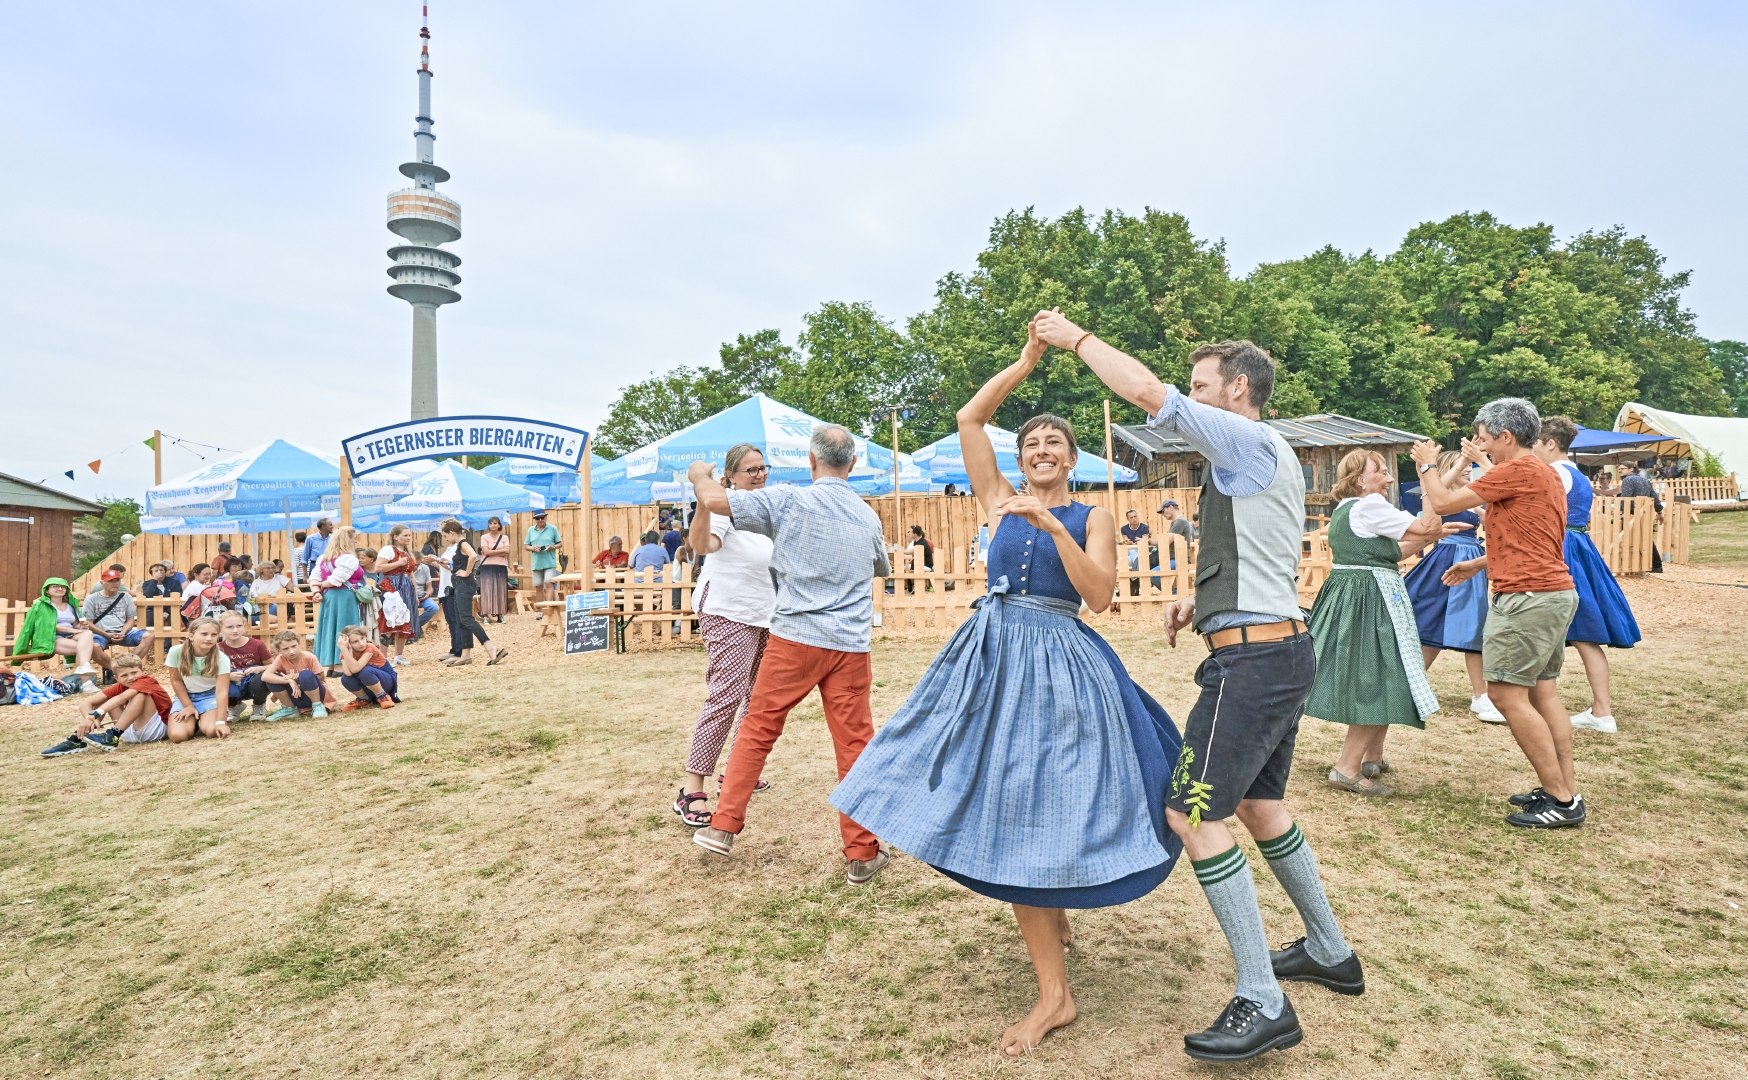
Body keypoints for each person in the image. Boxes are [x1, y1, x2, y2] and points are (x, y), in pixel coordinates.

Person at [832, 321, 1184, 1058]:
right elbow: (970, 419)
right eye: (1031, 446)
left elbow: (1100, 600)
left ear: (1072, 457)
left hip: (1059, 665)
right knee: (995, 795)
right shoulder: (994, 496)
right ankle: (1053, 948)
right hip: (989, 661)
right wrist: (1025, 362)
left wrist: (1054, 526)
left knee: (1038, 803)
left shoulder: (1094, 514)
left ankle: (1056, 995)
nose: (1041, 453)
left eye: (1053, 445)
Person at [1039, 314, 1362, 1063]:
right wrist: (1203, 598)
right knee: (1260, 804)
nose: (1189, 399)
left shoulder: (1245, 439)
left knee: (1189, 813)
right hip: (1277, 649)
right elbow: (1258, 552)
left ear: (1237, 390)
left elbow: (1147, 392)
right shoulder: (1255, 459)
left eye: (1202, 388)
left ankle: (1262, 997)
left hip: (1252, 667)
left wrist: (1077, 338)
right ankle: (1329, 948)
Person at [686, 425, 892, 888]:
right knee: (854, 746)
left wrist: (700, 474)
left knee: (758, 728)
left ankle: (723, 827)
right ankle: (862, 853)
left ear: (812, 462)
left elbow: (717, 501)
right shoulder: (867, 516)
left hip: (794, 635)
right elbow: (879, 566)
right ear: (852, 465)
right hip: (849, 644)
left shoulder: (788, 499)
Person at [1413, 397, 1585, 829]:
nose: (1482, 446)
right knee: (1543, 694)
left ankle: (1561, 800)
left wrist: (1427, 465)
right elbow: (1534, 537)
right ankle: (1564, 790)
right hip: (1552, 592)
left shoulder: (1516, 469)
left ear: (1506, 437)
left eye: (1486, 439)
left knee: (1507, 695)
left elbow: (1443, 502)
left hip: (1527, 599)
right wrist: (1480, 562)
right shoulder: (1543, 473)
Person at [1303, 451, 1462, 795]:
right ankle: (1347, 768)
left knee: (1384, 671)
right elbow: (1428, 524)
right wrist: (1426, 485)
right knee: (1378, 675)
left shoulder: (1347, 509)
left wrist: (1427, 535)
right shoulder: (1371, 505)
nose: (1389, 477)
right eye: (1381, 470)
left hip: (1353, 593)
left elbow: (1391, 552)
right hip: (1371, 597)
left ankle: (1372, 756)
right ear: (1361, 479)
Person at [673, 444, 777, 828]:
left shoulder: (766, 506)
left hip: (766, 615)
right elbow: (702, 545)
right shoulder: (726, 506)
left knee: (758, 698)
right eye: (751, 469)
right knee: (727, 695)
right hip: (728, 610)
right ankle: (691, 788)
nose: (759, 474)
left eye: (763, 467)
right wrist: (705, 498)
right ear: (731, 476)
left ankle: (736, 771)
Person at [1533, 417, 1641, 734]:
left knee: (1566, 631)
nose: (1533, 450)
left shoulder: (1553, 472)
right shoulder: (1577, 474)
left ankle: (1596, 711)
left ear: (1550, 443)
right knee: (1584, 635)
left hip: (1562, 547)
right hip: (1579, 546)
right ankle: (1600, 710)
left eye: (1536, 443)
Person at [1402, 452, 1502, 723]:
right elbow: (1435, 498)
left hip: (1470, 561)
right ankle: (1412, 686)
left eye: (1469, 466)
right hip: (1445, 559)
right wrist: (1458, 463)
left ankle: (1481, 696)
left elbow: (1493, 515)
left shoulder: (1469, 498)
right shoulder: (1439, 492)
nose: (1468, 470)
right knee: (1431, 623)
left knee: (1474, 626)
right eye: (1464, 467)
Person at [39, 653, 176, 756]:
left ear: (142, 672)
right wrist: (89, 719)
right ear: (116, 678)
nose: (131, 678)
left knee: (140, 694)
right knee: (108, 698)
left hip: (155, 731)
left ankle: (112, 735)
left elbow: (123, 698)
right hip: (129, 733)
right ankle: (77, 739)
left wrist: (95, 714)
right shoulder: (120, 685)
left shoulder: (146, 681)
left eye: (134, 672)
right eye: (124, 675)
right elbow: (86, 703)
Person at [13, 578, 106, 687]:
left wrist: (81, 626)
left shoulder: (71, 606)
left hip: (71, 636)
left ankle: (83, 668)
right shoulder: (41, 606)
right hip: (51, 638)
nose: (59, 588)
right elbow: (49, 626)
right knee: (83, 649)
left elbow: (75, 624)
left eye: (62, 587)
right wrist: (74, 630)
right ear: (47, 591)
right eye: (55, 586)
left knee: (88, 634)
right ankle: (86, 683)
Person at [441, 518, 508, 667]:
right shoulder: (460, 544)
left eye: (445, 536)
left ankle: (491, 647)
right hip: (459, 584)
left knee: (466, 619)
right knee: (461, 619)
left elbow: (473, 556)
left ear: (452, 532)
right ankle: (465, 655)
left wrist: (466, 572)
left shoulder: (463, 543)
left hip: (464, 584)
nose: (445, 539)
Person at [162, 616, 233, 742]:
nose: (209, 638)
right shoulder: (175, 652)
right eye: (204, 634)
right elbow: (176, 680)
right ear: (191, 635)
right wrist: (188, 705)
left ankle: (205, 718)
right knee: (178, 736)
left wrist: (221, 722)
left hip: (210, 696)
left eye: (214, 634)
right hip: (186, 696)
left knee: (212, 731)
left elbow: (221, 691)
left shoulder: (221, 658)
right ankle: (193, 721)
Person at [310, 525, 364, 674]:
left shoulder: (324, 559)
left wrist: (317, 591)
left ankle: (331, 665)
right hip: (344, 597)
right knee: (344, 628)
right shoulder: (349, 558)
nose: (356, 543)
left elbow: (314, 578)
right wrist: (320, 587)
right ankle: (341, 665)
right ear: (347, 541)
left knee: (329, 628)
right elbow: (336, 580)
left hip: (328, 597)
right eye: (354, 539)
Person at [82, 566, 154, 664]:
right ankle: (112, 669)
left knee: (148, 636)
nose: (115, 583)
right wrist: (106, 634)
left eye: (117, 580)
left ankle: (130, 665)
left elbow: (130, 619)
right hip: (100, 633)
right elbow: (89, 623)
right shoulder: (91, 599)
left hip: (123, 632)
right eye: (111, 581)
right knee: (93, 646)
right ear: (102, 582)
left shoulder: (126, 597)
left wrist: (123, 632)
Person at [213, 610, 273, 721]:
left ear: (244, 626)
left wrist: (259, 668)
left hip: (253, 683)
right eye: (230, 627)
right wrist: (228, 676)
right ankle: (234, 706)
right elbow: (211, 671)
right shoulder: (218, 648)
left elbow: (273, 666)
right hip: (234, 684)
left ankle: (259, 706)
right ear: (221, 629)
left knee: (261, 679)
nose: (235, 630)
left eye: (239, 626)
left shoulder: (257, 644)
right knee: (222, 681)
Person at [260, 629, 334, 720]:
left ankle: (318, 706)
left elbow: (321, 677)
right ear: (279, 650)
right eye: (285, 649)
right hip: (295, 696)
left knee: (305, 675)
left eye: (294, 646)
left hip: (316, 695)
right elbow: (265, 676)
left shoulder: (309, 657)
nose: (291, 651)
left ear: (299, 644)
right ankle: (290, 709)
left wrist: (298, 676)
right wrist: (290, 680)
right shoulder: (280, 659)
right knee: (272, 679)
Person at [375, 525, 421, 662]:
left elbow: (411, 573)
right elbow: (378, 567)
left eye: (409, 535)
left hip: (406, 588)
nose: (408, 538)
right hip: (392, 587)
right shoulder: (388, 550)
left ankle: (398, 655)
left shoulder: (407, 552)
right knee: (390, 619)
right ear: (395, 537)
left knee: (405, 619)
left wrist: (415, 592)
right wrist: (398, 563)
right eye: (405, 535)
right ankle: (383, 658)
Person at [337, 625, 400, 710]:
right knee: (345, 678)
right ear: (348, 644)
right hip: (368, 683)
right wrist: (345, 650)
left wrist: (345, 650)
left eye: (362, 638)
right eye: (355, 642)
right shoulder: (345, 652)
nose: (361, 643)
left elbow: (356, 668)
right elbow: (348, 673)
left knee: (365, 671)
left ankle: (382, 696)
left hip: (385, 682)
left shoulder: (369, 647)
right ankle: (364, 699)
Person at [1618, 459, 1665, 572]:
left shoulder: (1628, 480)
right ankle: (1657, 565)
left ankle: (1627, 564)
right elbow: (1655, 497)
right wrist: (1659, 512)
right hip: (1645, 513)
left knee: (1626, 538)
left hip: (1631, 515)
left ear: (1631, 469)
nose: (1619, 470)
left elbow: (1626, 498)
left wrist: (1621, 511)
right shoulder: (1645, 480)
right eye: (1618, 469)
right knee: (1647, 539)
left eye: (1622, 468)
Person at [476, 517, 511, 624]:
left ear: (499, 525)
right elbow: (485, 552)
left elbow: (507, 552)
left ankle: (500, 615)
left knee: (500, 590)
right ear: (488, 525)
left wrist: (492, 552)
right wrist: (500, 551)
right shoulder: (484, 537)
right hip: (486, 565)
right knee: (486, 590)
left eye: (495, 523)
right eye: (490, 523)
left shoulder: (504, 537)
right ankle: (485, 615)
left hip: (501, 565)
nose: (493, 525)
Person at [524, 511, 563, 603]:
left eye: (542, 517)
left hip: (550, 562)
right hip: (536, 563)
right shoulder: (530, 530)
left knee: (548, 584)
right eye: (538, 518)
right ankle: (540, 610)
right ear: (535, 519)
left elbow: (560, 544)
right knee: (538, 586)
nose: (540, 520)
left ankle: (548, 609)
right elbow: (526, 546)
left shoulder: (553, 528)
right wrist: (533, 548)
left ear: (546, 517)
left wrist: (552, 547)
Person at [1119, 508, 1156, 595]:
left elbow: (1144, 542)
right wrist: (1129, 542)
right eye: (1131, 517)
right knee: (1132, 552)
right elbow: (1126, 541)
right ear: (1128, 519)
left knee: (1136, 555)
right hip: (1131, 549)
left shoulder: (1144, 527)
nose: (1134, 519)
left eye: (1135, 516)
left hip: (1143, 550)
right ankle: (1137, 580)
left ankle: (1134, 580)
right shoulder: (1124, 529)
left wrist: (1140, 541)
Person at [300, 519, 333, 586]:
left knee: (329, 586)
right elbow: (304, 559)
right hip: (314, 565)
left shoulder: (333, 538)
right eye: (330, 525)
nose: (332, 526)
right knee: (315, 586)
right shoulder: (310, 538)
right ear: (323, 526)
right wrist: (305, 575)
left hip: (330, 565)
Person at [140, 562, 172, 628]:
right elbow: (147, 596)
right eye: (156, 571)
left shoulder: (174, 582)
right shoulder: (147, 584)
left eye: (161, 570)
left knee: (174, 617)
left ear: (165, 572)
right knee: (149, 617)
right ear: (152, 574)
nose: (159, 572)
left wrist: (166, 613)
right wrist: (155, 580)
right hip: (152, 609)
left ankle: (169, 638)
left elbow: (178, 597)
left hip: (170, 609)